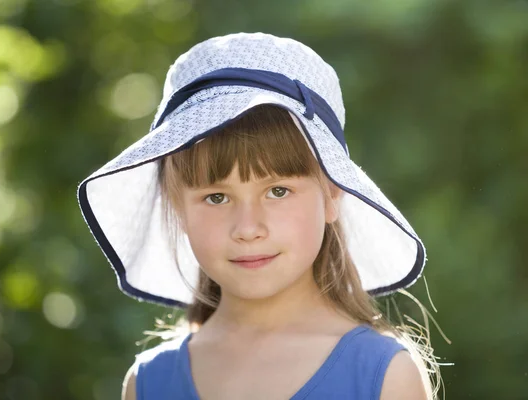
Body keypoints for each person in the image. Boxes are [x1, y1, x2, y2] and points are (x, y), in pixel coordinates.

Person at [77, 32, 441, 399]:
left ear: (332, 195)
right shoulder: (148, 382)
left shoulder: (383, 376)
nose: (248, 229)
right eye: (217, 197)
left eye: (278, 191)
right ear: (177, 207)